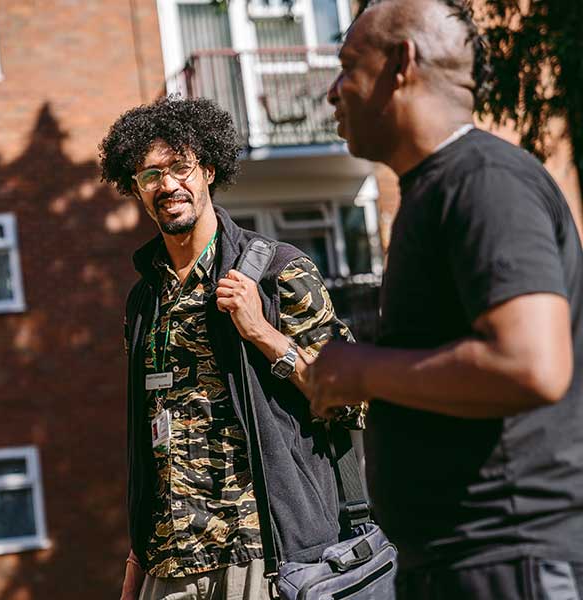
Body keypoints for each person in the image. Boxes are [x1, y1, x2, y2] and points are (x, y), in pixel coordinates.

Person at [307, 0, 583, 597]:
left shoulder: (483, 181)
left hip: (508, 558)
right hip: (457, 561)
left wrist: (362, 369)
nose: (333, 92)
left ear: (400, 63)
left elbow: (531, 365)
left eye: (347, 65)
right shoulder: (433, 190)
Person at [99, 96, 363, 600]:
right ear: (135, 188)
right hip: (169, 558)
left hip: (261, 551)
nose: (168, 185)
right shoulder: (144, 300)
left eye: (181, 167)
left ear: (209, 170)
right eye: (150, 175)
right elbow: (148, 434)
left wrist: (263, 333)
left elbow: (350, 398)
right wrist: (137, 554)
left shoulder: (278, 272)